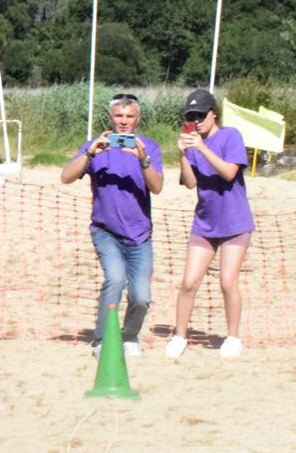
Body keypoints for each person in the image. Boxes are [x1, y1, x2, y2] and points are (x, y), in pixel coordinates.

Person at [61, 93, 164, 357]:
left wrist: (143, 159)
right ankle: (102, 339)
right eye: (119, 115)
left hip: (140, 234)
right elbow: (66, 177)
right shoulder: (97, 146)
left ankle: (129, 336)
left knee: (141, 296)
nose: (123, 122)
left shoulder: (148, 147)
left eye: (129, 116)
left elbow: (157, 186)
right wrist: (89, 152)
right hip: (105, 231)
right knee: (115, 280)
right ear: (110, 117)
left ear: (137, 119)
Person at [165, 89, 254, 359]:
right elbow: (190, 183)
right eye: (191, 116)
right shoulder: (193, 145)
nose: (197, 120)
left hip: (235, 222)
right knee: (189, 282)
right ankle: (180, 336)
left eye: (201, 115)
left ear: (214, 114)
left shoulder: (230, 136)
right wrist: (182, 155)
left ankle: (233, 337)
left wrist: (202, 148)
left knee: (228, 282)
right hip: (204, 222)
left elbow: (229, 173)